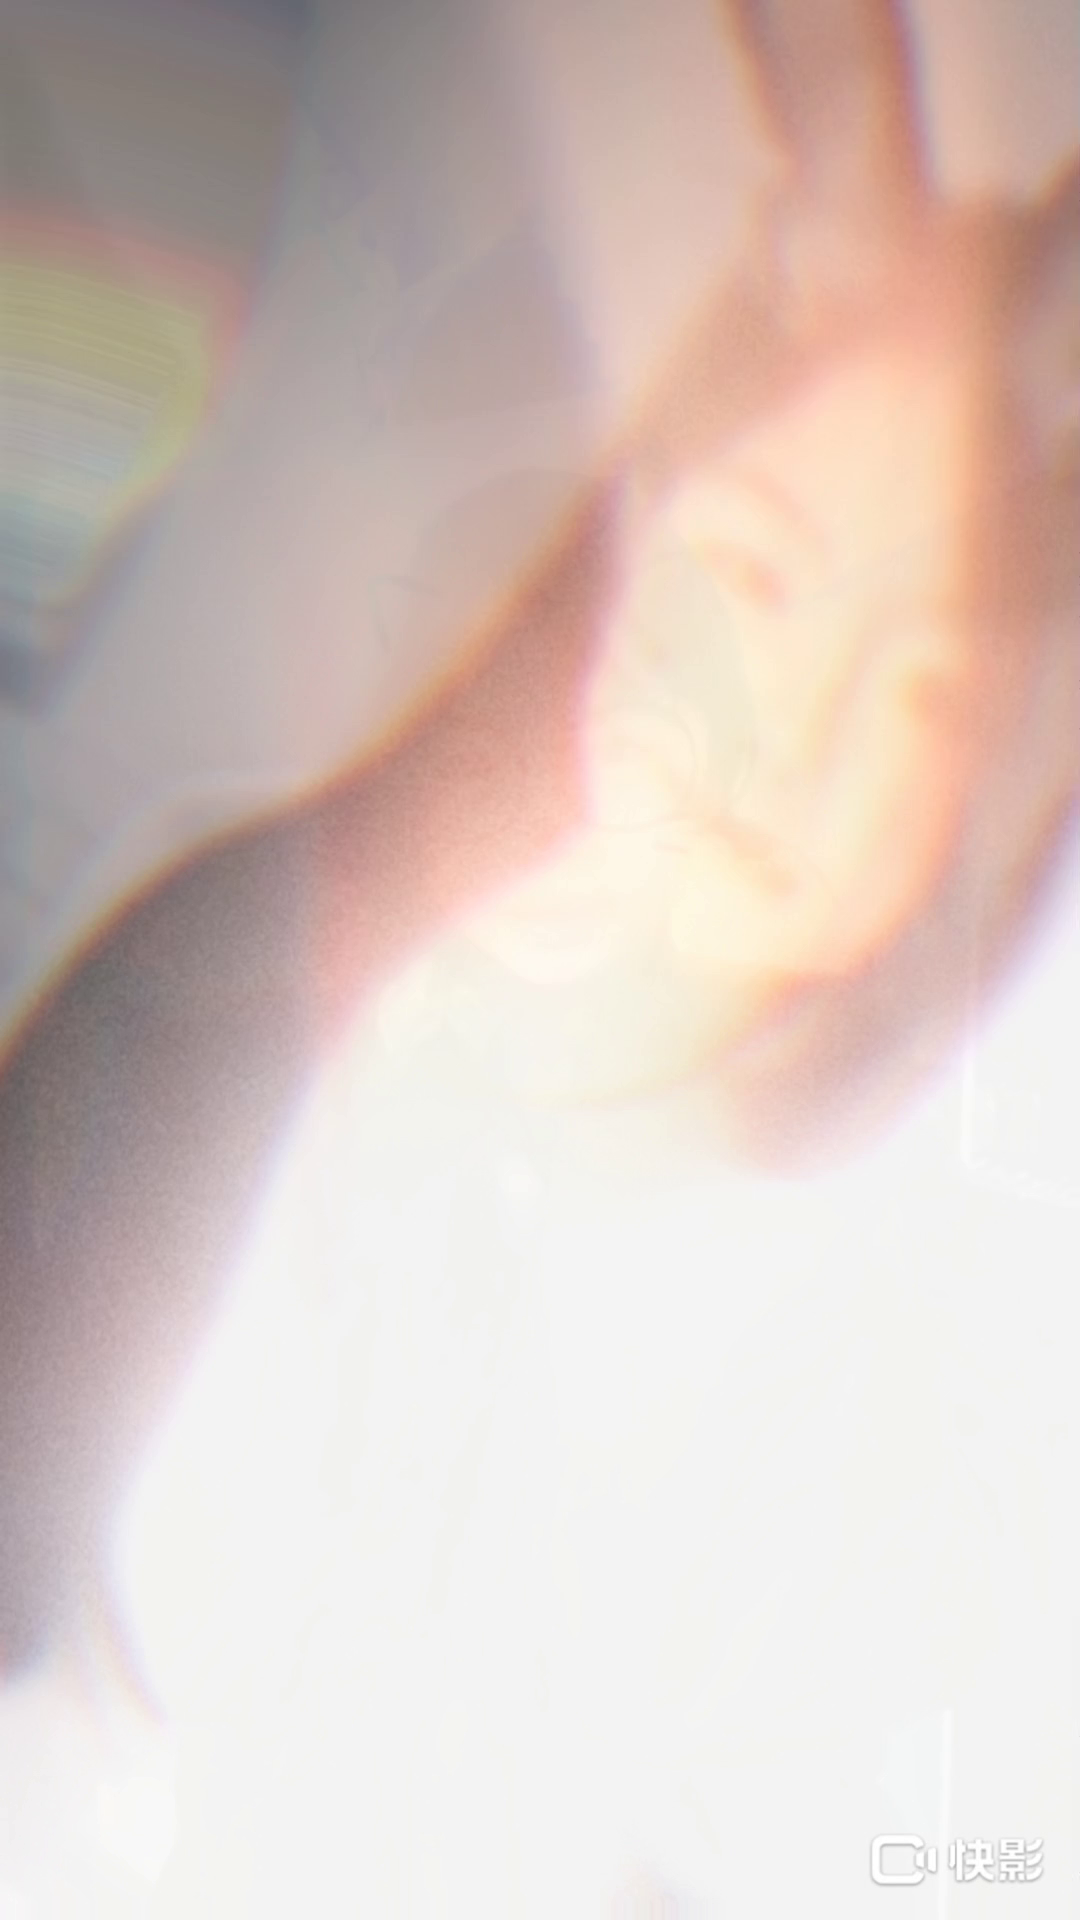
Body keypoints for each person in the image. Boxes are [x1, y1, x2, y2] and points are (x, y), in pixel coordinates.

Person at [0, 1, 1077, 1913]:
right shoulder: (230, 1014)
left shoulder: (893, 1383)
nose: (798, 739)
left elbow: (932, 1841)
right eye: (754, 579)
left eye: (919, 702)